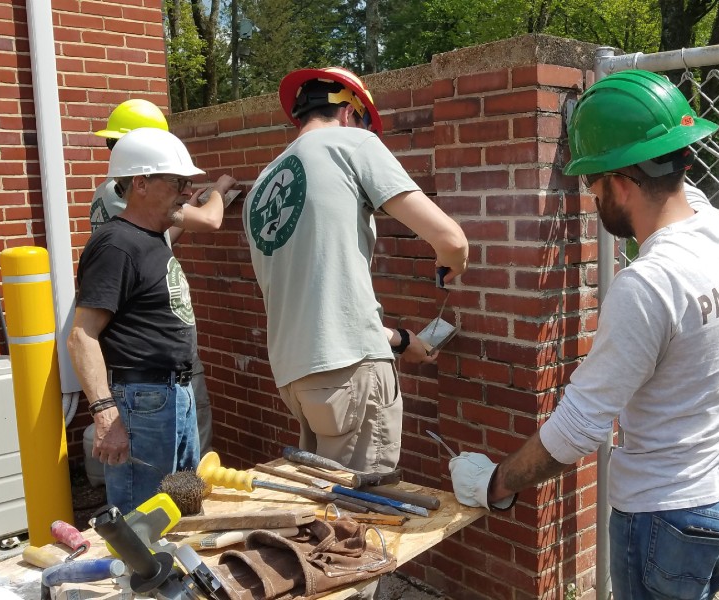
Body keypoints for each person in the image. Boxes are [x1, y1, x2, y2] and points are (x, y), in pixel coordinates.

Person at [449, 70, 719, 600]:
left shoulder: (649, 283)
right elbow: (677, 178)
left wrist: (496, 484)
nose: (592, 196)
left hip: (671, 523)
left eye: (592, 182)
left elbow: (579, 427)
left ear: (620, 182)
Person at [244, 66, 469, 474]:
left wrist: (400, 340)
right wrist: (453, 265)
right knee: (359, 517)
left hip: (298, 378)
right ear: (350, 113)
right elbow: (451, 240)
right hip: (350, 376)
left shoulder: (262, 185)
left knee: (323, 507)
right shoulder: (352, 144)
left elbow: (321, 300)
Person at [68, 127, 207, 515]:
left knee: (179, 513)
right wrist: (106, 414)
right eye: (178, 181)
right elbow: (82, 335)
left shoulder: (152, 240)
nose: (185, 190)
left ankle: (174, 577)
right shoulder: (117, 245)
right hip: (142, 401)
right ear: (141, 183)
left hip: (175, 393)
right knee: (141, 521)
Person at [91, 99, 238, 456]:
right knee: (154, 493)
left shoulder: (107, 193)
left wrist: (175, 204)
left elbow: (157, 238)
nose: (184, 188)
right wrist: (219, 190)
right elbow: (209, 221)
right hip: (149, 375)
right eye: (176, 180)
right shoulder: (121, 212)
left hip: (150, 370)